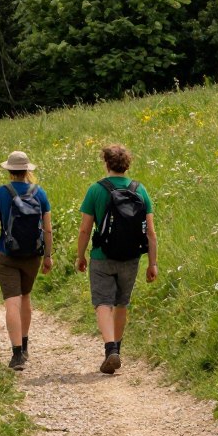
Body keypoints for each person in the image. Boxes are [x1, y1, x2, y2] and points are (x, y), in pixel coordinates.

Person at [75, 143, 157, 374]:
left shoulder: (96, 190)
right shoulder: (140, 190)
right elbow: (150, 232)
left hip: (102, 255)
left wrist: (80, 255)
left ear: (106, 163)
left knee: (103, 302)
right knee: (122, 303)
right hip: (131, 257)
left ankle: (110, 348)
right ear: (127, 164)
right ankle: (117, 350)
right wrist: (152, 263)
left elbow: (84, 229)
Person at [0, 150, 52, 371]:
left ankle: (16, 354)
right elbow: (47, 229)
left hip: (7, 254)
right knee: (26, 298)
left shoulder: (1, 193)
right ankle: (26, 344)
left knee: (12, 301)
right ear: (26, 170)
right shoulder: (39, 193)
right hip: (33, 255)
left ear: (10, 170)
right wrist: (48, 256)